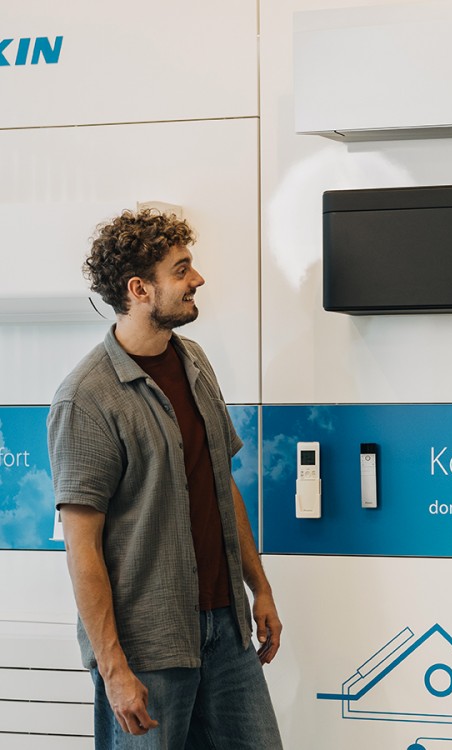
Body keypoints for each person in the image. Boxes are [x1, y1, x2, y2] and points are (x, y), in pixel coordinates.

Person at [47, 209, 283, 749]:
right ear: (140, 289)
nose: (197, 279)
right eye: (181, 270)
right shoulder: (86, 398)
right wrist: (113, 669)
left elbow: (220, 484)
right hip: (146, 649)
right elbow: (82, 548)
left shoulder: (194, 361)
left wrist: (260, 588)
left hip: (226, 632)